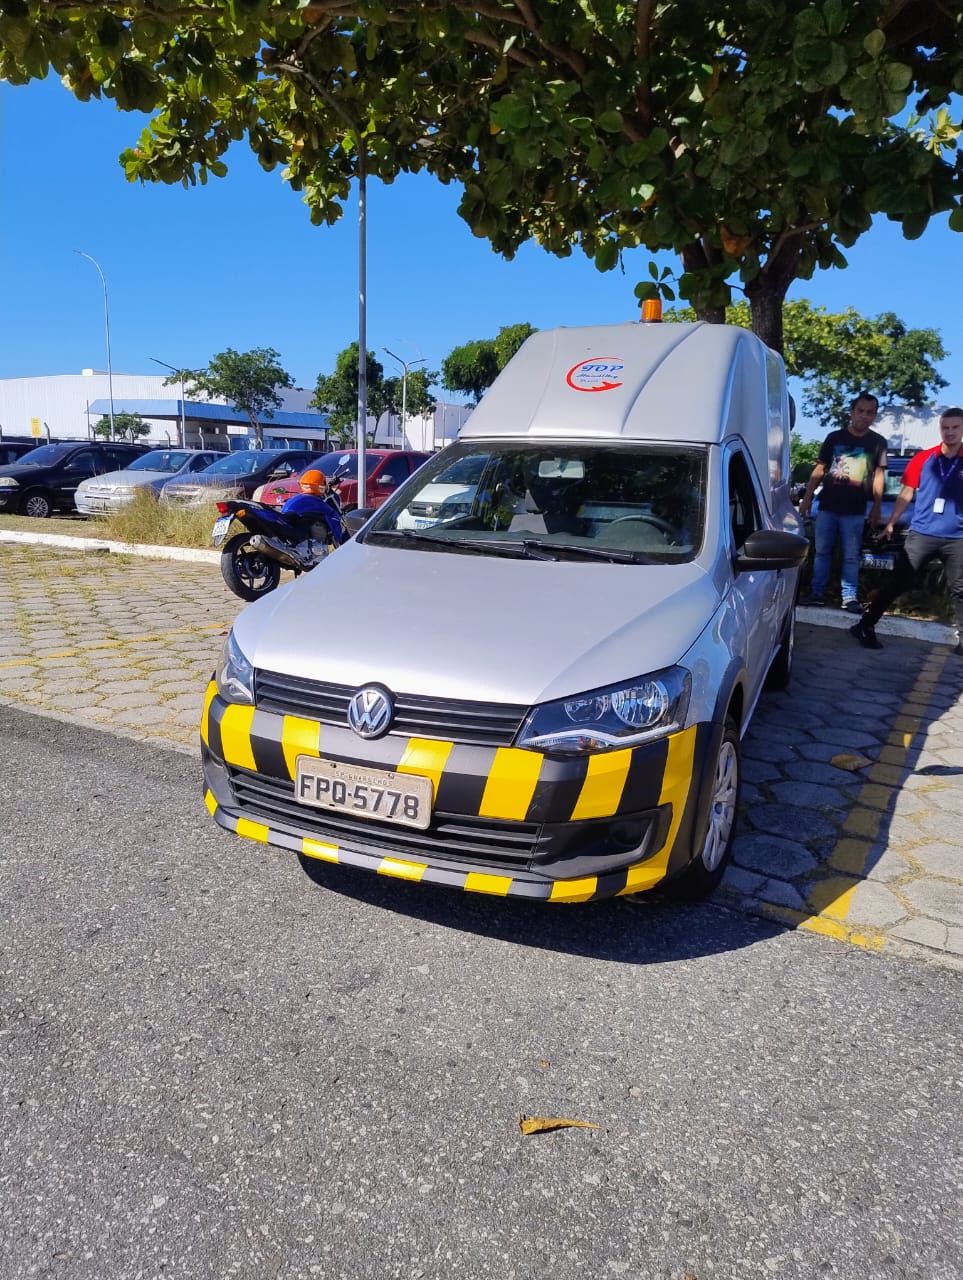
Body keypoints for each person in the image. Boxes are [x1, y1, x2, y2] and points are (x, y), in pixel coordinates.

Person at [850, 408, 963, 655]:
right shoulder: (924, 458)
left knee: (960, 589)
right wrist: (891, 522)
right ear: (940, 428)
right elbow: (906, 493)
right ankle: (865, 626)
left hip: (957, 537)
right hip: (923, 533)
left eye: (955, 427)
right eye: (946, 427)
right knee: (899, 582)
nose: (950, 432)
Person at [799, 393, 887, 611]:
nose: (864, 416)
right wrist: (807, 498)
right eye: (860, 411)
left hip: (855, 510)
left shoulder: (877, 443)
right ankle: (817, 593)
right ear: (852, 412)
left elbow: (878, 476)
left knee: (851, 556)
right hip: (828, 506)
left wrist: (876, 506)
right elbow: (820, 468)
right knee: (821, 552)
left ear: (874, 415)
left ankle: (849, 598)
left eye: (869, 412)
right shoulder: (834, 438)